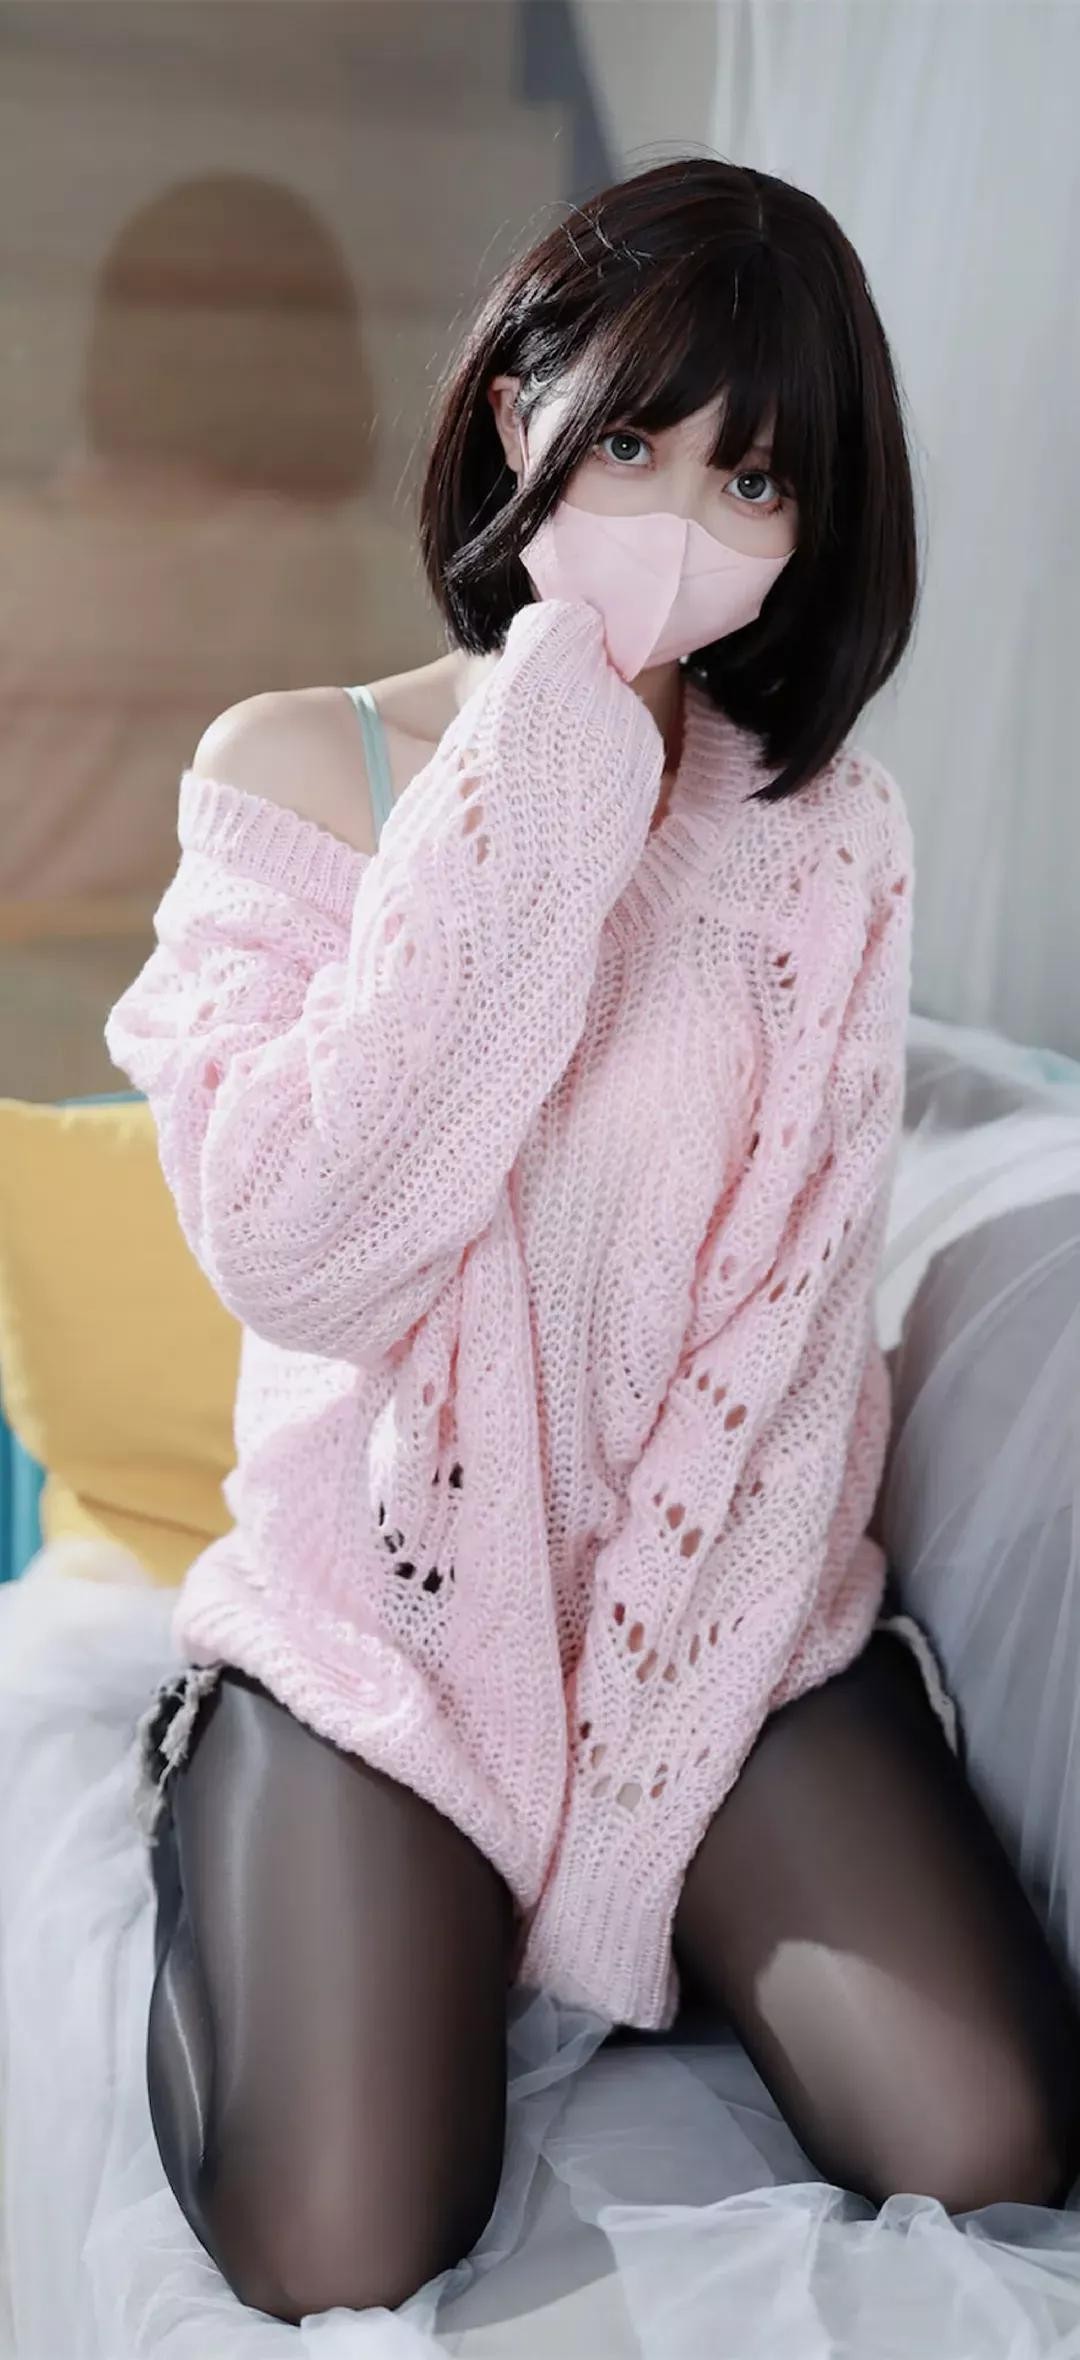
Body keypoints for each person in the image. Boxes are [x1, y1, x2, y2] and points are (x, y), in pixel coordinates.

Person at [103, 157, 1080, 2328]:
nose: (678, 514)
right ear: (513, 406)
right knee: (338, 2234)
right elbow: (307, 1249)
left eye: (752, 476)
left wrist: (621, 1800)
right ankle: (230, 1792)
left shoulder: (828, 842)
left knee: (984, 2134)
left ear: (812, 528)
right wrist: (546, 748)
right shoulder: (299, 767)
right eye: (629, 437)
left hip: (722, 1614)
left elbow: (788, 1337)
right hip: (385, 1624)